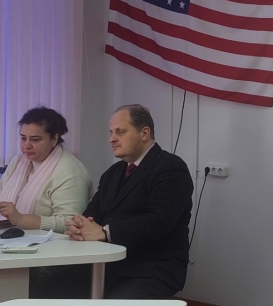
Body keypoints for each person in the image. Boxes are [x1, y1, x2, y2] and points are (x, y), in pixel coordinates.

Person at [65, 104, 194, 300]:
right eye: (111, 132)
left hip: (151, 268)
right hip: (108, 263)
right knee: (50, 286)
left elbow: (159, 222)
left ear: (144, 133)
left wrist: (104, 232)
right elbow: (94, 210)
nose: (111, 139)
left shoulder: (171, 168)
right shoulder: (112, 173)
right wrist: (80, 225)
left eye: (120, 132)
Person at [0, 106, 93, 232]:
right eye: (23, 138)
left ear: (54, 139)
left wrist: (22, 220)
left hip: (51, 242)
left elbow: (70, 222)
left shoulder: (70, 172)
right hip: (7, 238)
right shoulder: (18, 161)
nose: (26, 145)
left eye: (35, 140)